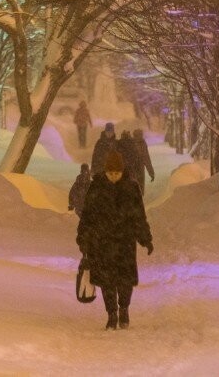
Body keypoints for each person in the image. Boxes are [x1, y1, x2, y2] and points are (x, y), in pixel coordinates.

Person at [76, 150, 153, 330]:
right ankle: (111, 314)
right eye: (110, 173)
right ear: (105, 171)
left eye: (117, 173)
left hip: (125, 242)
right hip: (101, 242)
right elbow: (87, 216)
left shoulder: (132, 188)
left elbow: (139, 217)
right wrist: (83, 238)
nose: (114, 177)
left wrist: (145, 239)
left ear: (122, 171)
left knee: (125, 280)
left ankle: (124, 309)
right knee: (107, 281)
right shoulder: (96, 187)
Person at [132, 129, 155, 193]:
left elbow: (146, 158)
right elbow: (146, 158)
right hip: (136, 169)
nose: (139, 137)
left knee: (136, 189)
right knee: (139, 189)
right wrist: (151, 173)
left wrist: (151, 172)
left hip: (135, 169)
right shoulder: (140, 143)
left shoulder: (134, 143)